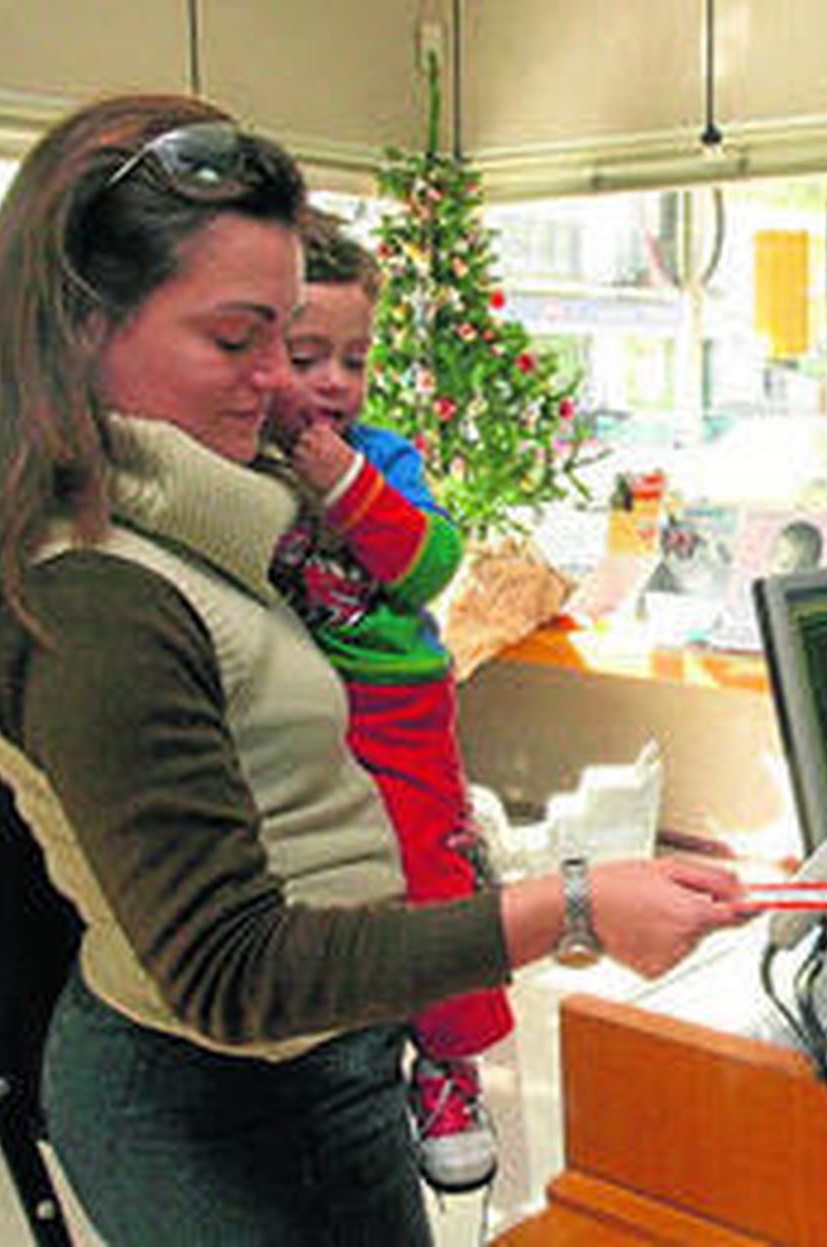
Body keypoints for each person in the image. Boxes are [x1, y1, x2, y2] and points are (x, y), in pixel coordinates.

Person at [0, 93, 747, 1246]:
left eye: (291, 335)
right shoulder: (92, 588)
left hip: (326, 1052)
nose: (280, 380)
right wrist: (566, 903)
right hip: (219, 1098)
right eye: (236, 339)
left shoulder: (191, 523)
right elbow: (232, 967)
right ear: (81, 324)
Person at [265, 209, 512, 1193]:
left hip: (396, 703)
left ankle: (450, 1064)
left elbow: (429, 566)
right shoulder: (237, 461)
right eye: (305, 354)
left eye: (353, 359)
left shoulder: (382, 455)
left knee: (434, 874)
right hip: (292, 702)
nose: (334, 381)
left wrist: (345, 482)